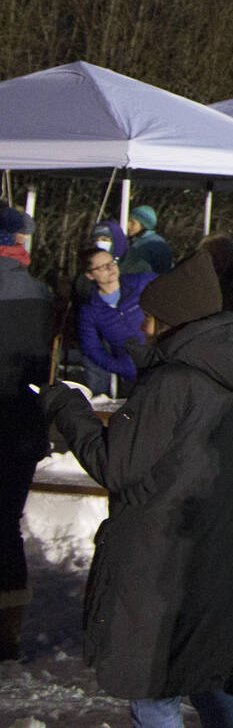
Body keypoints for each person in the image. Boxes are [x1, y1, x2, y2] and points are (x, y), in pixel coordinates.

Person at [43, 252, 233, 728]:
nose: (144, 327)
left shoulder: (173, 383)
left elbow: (114, 465)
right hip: (210, 550)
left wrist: (68, 406)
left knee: (153, 684)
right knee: (203, 673)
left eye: (151, 318)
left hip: (159, 554)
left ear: (173, 322)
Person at [1, 209, 51, 661]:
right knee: (7, 526)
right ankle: (8, 630)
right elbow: (40, 370)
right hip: (17, 425)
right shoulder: (37, 292)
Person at [77, 244, 153, 398]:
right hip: (132, 374)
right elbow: (91, 348)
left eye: (112, 262)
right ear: (90, 275)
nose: (111, 268)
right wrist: (120, 366)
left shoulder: (141, 282)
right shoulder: (90, 311)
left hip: (161, 360)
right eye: (103, 267)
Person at [122, 205, 175, 278]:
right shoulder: (133, 241)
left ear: (144, 226)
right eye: (128, 221)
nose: (127, 226)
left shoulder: (153, 245)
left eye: (132, 223)